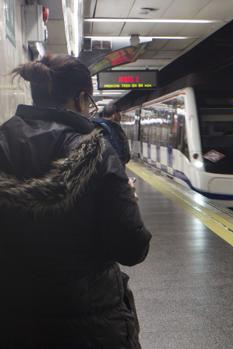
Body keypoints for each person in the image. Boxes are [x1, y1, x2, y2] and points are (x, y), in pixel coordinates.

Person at [0, 55, 151, 347]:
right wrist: (128, 201)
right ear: (81, 99)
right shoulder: (98, 152)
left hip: (13, 320)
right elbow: (133, 248)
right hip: (92, 325)